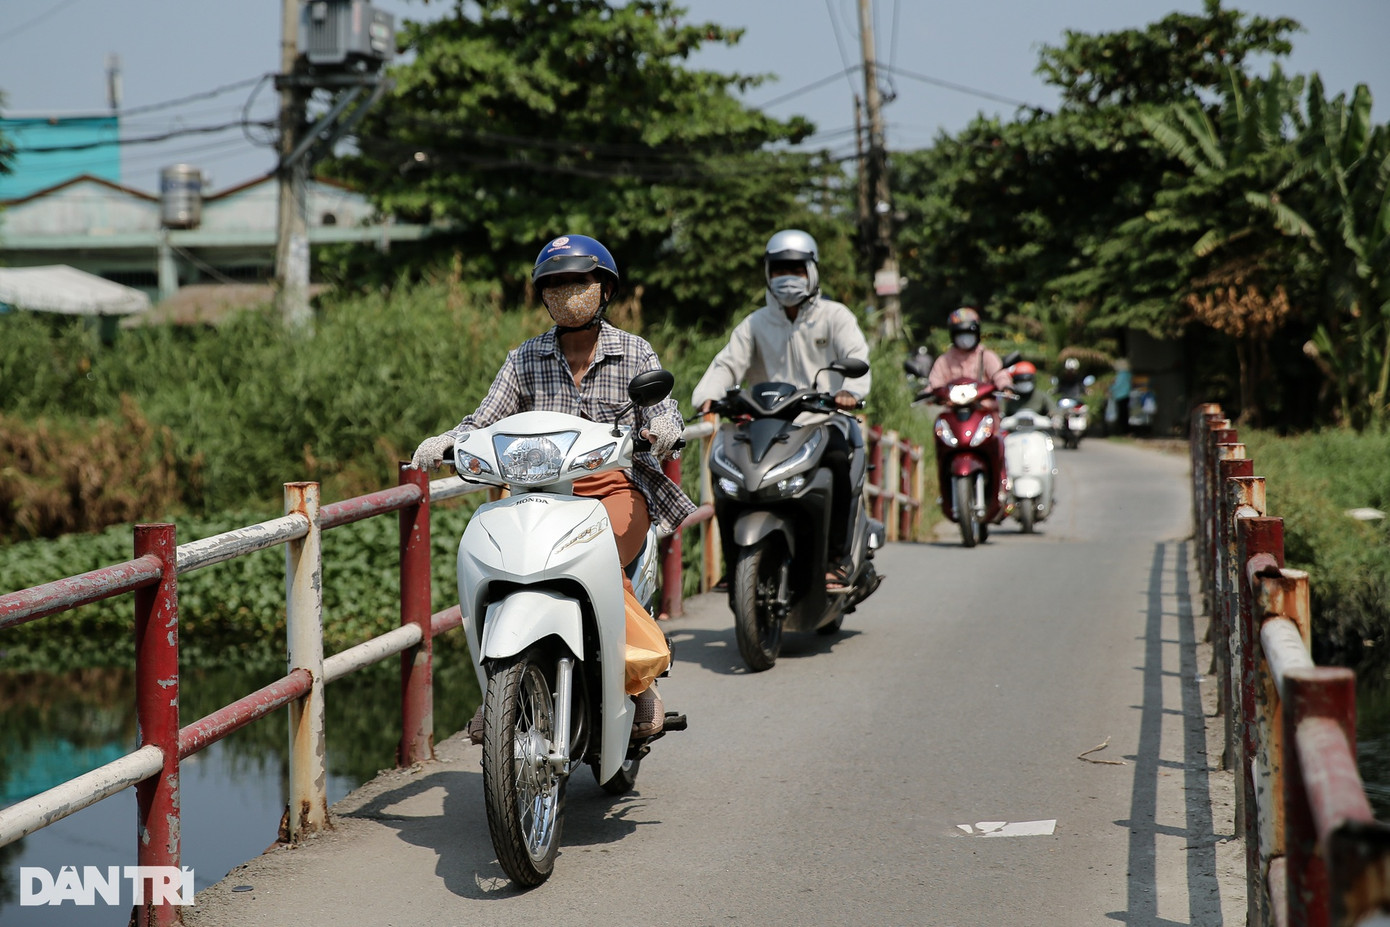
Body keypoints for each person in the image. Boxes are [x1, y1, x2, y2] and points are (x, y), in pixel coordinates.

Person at [409, 233, 694, 740]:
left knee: (599, 558)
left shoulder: (634, 352)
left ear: (604, 290)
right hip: (535, 494)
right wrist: (448, 443)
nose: (567, 291)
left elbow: (663, 411)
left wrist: (663, 431)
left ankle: (638, 679)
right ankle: (500, 688)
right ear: (542, 295)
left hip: (612, 490)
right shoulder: (524, 358)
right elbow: (484, 420)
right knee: (500, 565)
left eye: (579, 281)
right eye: (556, 283)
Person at [691, 228, 871, 591]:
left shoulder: (835, 317)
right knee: (726, 472)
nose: (788, 278)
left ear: (813, 271)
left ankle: (836, 559)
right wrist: (708, 396)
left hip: (821, 420)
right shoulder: (755, 323)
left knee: (837, 461)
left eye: (797, 269)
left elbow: (856, 356)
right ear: (767, 273)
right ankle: (735, 561)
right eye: (778, 269)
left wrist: (849, 392)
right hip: (765, 423)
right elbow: (728, 364)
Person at [926, 307, 1013, 395]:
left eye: (969, 334)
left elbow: (999, 375)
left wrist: (1005, 386)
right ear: (953, 335)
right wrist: (927, 393)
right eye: (960, 334)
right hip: (953, 405)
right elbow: (935, 383)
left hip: (984, 405)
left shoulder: (986, 356)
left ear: (977, 334)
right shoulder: (944, 360)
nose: (965, 339)